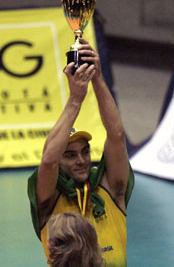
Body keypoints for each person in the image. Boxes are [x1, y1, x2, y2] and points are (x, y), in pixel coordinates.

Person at [27, 39, 134, 267]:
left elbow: (116, 135)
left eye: (85, 152)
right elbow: (48, 162)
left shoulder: (109, 189)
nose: (82, 160)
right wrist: (76, 99)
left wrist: (98, 78)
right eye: (70, 155)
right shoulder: (50, 203)